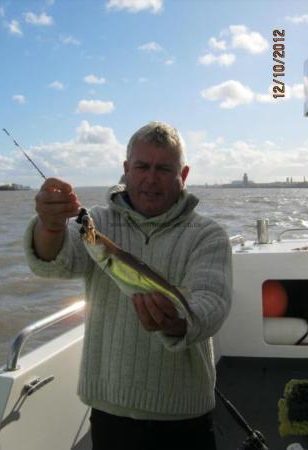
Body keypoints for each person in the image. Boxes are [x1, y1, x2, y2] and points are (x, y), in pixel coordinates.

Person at [24, 121, 232, 450]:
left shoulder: (207, 234)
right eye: (141, 166)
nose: (151, 178)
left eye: (164, 168)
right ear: (126, 169)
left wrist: (178, 322)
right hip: (110, 411)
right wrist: (50, 227)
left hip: (184, 416)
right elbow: (58, 261)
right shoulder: (97, 222)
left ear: (184, 174)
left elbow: (212, 302)